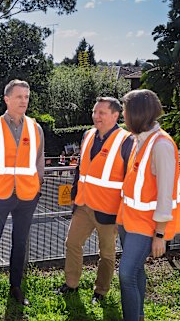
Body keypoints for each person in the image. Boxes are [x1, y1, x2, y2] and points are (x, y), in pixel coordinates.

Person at [117, 89, 180, 321]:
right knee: (135, 272)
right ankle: (136, 318)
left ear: (136, 113)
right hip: (130, 220)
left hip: (146, 225)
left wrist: (160, 235)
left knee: (126, 275)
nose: (123, 115)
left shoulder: (162, 144)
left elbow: (166, 194)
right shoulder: (140, 139)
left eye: (124, 110)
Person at [56, 97, 133, 304]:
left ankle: (101, 292)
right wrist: (74, 196)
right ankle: (71, 284)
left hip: (109, 209)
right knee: (72, 243)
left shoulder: (126, 140)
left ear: (115, 116)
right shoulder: (88, 134)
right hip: (83, 204)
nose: (96, 116)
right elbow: (81, 169)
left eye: (101, 113)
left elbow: (131, 179)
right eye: (94, 112)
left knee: (106, 254)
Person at [0, 79, 45, 306]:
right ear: (7, 99)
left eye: (26, 96)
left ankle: (16, 287)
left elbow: (39, 165)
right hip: (0, 196)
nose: (24, 101)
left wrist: (36, 190)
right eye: (19, 96)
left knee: (20, 243)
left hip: (27, 197)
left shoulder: (36, 128)